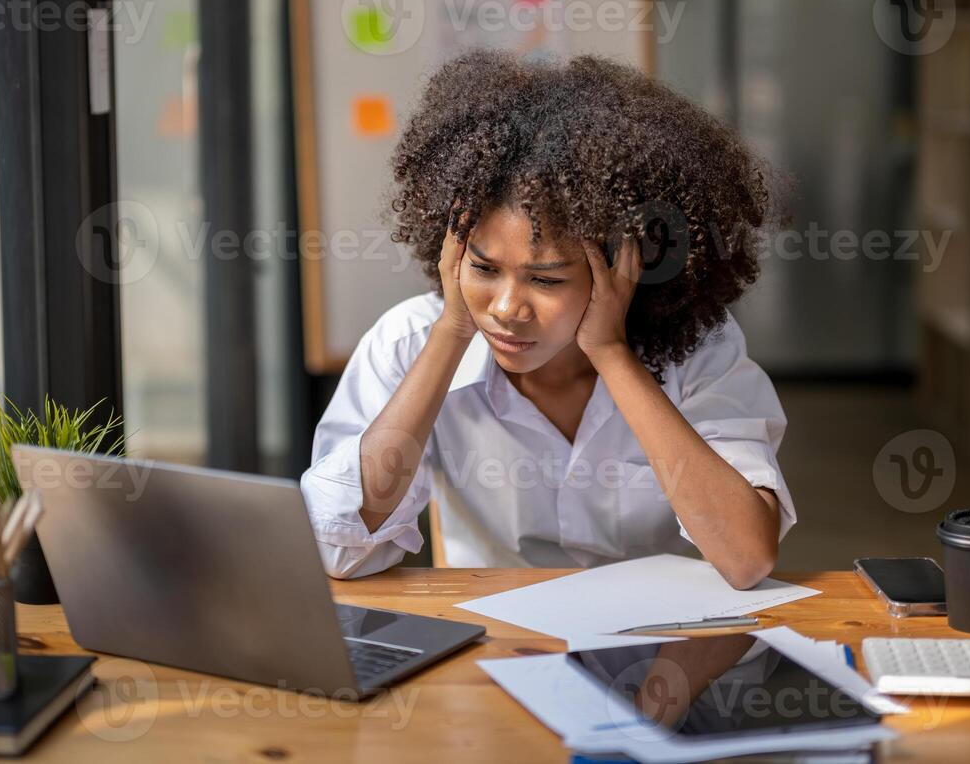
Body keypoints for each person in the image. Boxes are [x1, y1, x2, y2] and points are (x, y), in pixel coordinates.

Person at [300, 49, 793, 587]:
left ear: (624, 267)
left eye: (547, 279)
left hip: (655, 652)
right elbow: (336, 548)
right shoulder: (408, 342)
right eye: (485, 268)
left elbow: (746, 558)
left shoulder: (697, 350)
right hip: (494, 652)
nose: (508, 308)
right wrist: (451, 332)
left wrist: (612, 355)